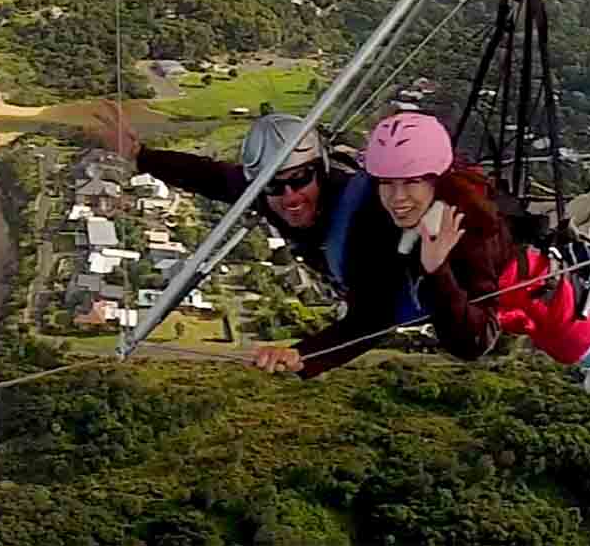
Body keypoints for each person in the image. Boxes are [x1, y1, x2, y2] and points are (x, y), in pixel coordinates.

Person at [91, 102, 500, 377]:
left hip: (435, 291)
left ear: (320, 170)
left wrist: (303, 354)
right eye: (273, 186)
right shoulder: (272, 197)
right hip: (393, 283)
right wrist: (141, 155)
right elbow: (214, 177)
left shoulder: (368, 223)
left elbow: (372, 321)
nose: (290, 197)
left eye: (301, 180)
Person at [363, 111, 590, 418]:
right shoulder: (455, 190)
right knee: (557, 231)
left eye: (410, 181)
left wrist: (442, 280)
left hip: (530, 288)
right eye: (388, 183)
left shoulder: (454, 225)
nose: (398, 195)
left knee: (575, 345)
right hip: (523, 263)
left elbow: (482, 330)